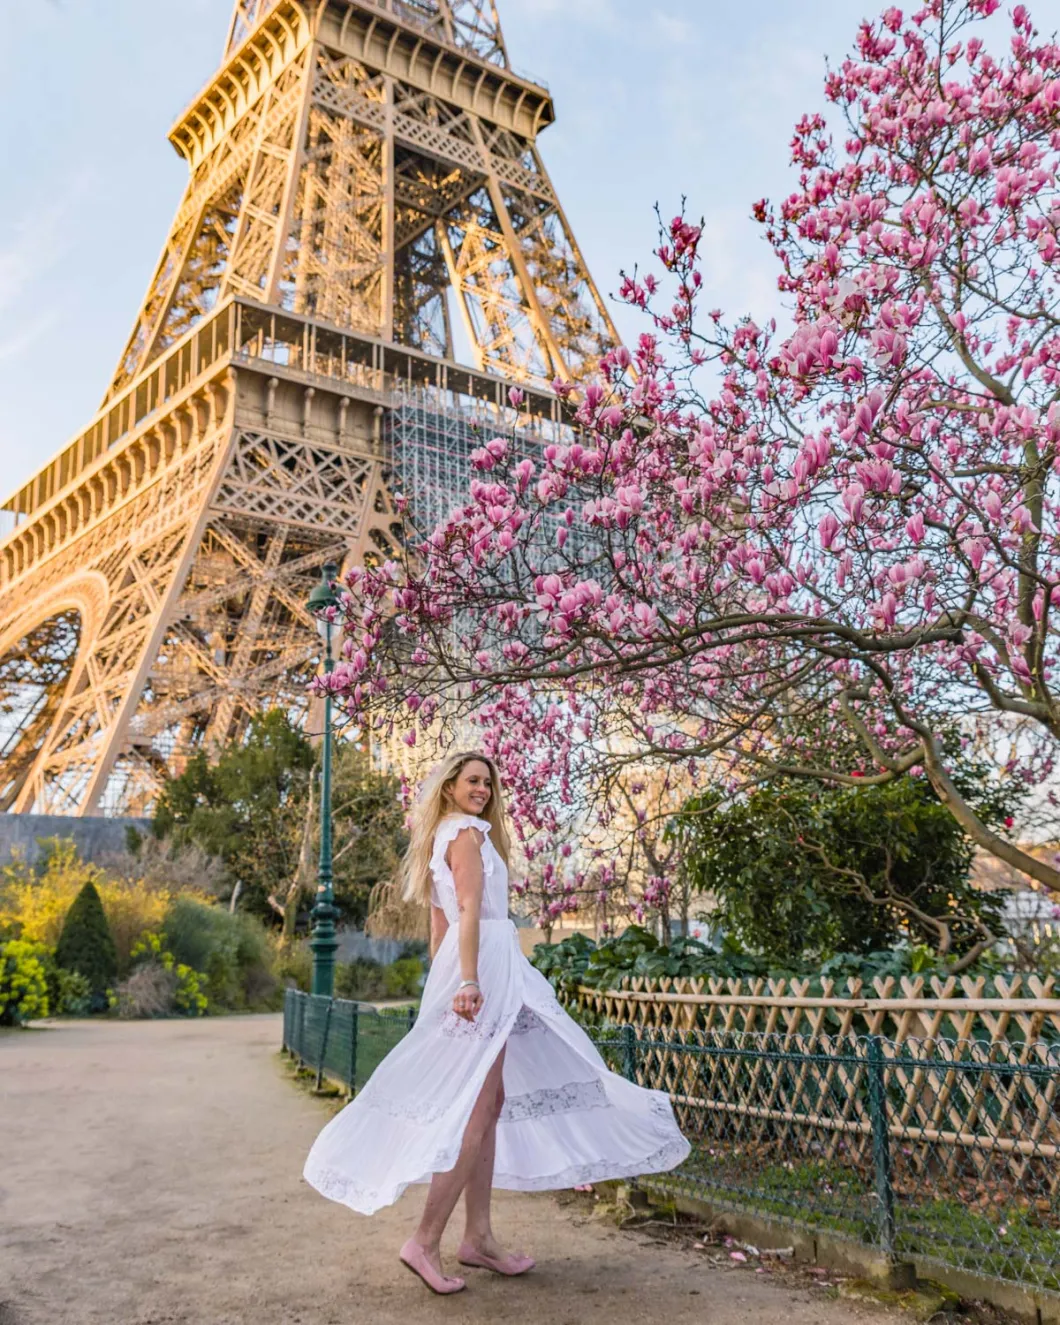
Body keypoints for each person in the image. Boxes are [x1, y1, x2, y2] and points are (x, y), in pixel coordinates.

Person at [302, 751, 690, 1294]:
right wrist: (466, 981)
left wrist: (446, 982)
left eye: (487, 782)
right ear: (449, 787)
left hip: (474, 967)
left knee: (490, 1101)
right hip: (482, 967)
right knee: (475, 1108)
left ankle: (478, 1237)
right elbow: (465, 912)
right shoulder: (467, 835)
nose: (482, 789)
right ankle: (425, 1240)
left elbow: (438, 928)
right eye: (472, 780)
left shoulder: (442, 837)